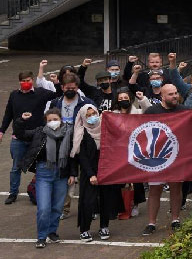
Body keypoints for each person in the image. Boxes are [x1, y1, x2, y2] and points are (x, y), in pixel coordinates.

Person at [21, 108, 72, 248]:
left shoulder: (68, 132)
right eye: (49, 120)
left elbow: (74, 155)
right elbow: (21, 134)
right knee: (43, 208)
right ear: (45, 121)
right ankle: (41, 237)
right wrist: (22, 121)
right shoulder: (39, 132)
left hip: (61, 173)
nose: (53, 122)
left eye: (55, 119)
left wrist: (73, 174)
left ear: (61, 120)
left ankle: (52, 232)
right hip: (43, 172)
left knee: (57, 207)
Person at [2, 70, 54, 205]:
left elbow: (58, 94)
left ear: (32, 80)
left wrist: (57, 83)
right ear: (20, 82)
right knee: (15, 167)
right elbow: (8, 114)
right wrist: (1, 131)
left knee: (41, 166)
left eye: (28, 80)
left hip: (37, 138)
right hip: (18, 138)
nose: (26, 83)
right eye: (23, 81)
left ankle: (40, 191)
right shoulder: (14, 95)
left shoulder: (41, 93)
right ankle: (13, 193)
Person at [70, 105, 119, 241]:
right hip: (89, 173)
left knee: (106, 200)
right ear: (83, 118)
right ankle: (84, 229)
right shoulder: (81, 132)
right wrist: (91, 174)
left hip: (105, 170)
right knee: (88, 201)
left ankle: (104, 226)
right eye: (88, 115)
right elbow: (82, 157)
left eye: (94, 113)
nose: (92, 117)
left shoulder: (105, 128)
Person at [142, 84, 187, 235]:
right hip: (156, 158)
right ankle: (151, 223)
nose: (175, 96)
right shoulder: (151, 111)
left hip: (176, 157)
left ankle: (175, 219)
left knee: (176, 188)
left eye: (176, 93)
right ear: (162, 97)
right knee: (155, 190)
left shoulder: (184, 110)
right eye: (171, 94)